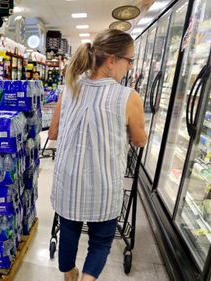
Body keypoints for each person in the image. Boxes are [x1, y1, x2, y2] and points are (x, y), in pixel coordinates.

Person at [48, 29, 147, 281]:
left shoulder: (69, 88)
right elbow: (139, 140)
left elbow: (54, 132)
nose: (130, 66)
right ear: (112, 60)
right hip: (103, 186)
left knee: (68, 233)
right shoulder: (128, 97)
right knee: (101, 241)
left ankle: (69, 274)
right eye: (130, 60)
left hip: (68, 182)